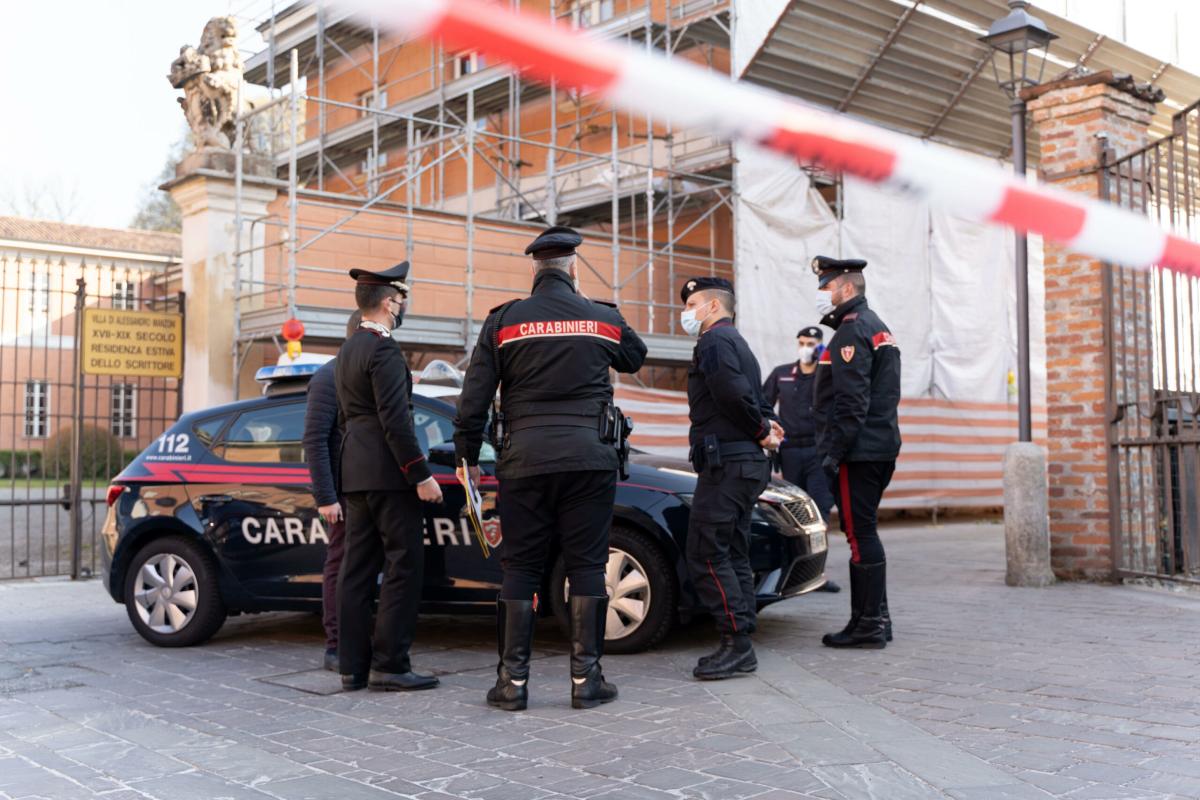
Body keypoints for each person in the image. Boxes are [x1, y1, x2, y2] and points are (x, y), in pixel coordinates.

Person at [453, 226, 647, 711]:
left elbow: (474, 397)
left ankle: (511, 684)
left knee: (520, 566)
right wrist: (591, 305)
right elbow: (636, 356)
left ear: (534, 270)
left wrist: (466, 458)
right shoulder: (600, 317)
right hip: (589, 460)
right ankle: (587, 682)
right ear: (574, 268)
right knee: (585, 564)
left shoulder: (504, 321)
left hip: (524, 462)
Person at [335, 261, 444, 691]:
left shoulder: (347, 349)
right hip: (387, 471)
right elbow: (396, 421)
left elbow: (350, 417)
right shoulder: (382, 350)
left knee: (357, 570)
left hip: (355, 470)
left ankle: (352, 667)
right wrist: (419, 473)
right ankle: (391, 665)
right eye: (400, 299)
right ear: (386, 302)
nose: (402, 306)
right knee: (404, 564)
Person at [679, 277, 782, 681]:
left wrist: (760, 429)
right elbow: (753, 397)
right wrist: (769, 425)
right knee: (732, 549)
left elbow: (731, 393)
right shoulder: (735, 341)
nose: (686, 313)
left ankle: (736, 643)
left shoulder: (714, 342)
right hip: (742, 463)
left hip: (729, 463)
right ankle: (742, 636)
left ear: (712, 307)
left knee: (705, 552)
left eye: (691, 304)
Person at [810, 256, 901, 649]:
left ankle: (866, 625)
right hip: (879, 446)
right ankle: (878, 619)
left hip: (859, 450)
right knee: (864, 530)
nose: (825, 295)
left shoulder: (851, 331)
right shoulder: (876, 325)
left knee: (859, 534)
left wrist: (834, 452)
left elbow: (850, 402)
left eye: (828, 287)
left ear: (846, 288)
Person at [302, 309, 362, 672]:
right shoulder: (328, 377)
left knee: (357, 567)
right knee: (340, 565)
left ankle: (354, 638)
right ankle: (336, 644)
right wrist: (326, 497)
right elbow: (315, 438)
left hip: (363, 489)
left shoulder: (357, 374)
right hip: (341, 493)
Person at [763, 327, 841, 589]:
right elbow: (763, 404)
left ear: (820, 346)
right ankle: (795, 573)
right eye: (802, 342)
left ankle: (818, 573)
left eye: (811, 343)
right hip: (791, 452)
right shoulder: (782, 374)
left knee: (820, 508)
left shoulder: (827, 374)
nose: (805, 347)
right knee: (793, 512)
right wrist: (773, 430)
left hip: (819, 453)